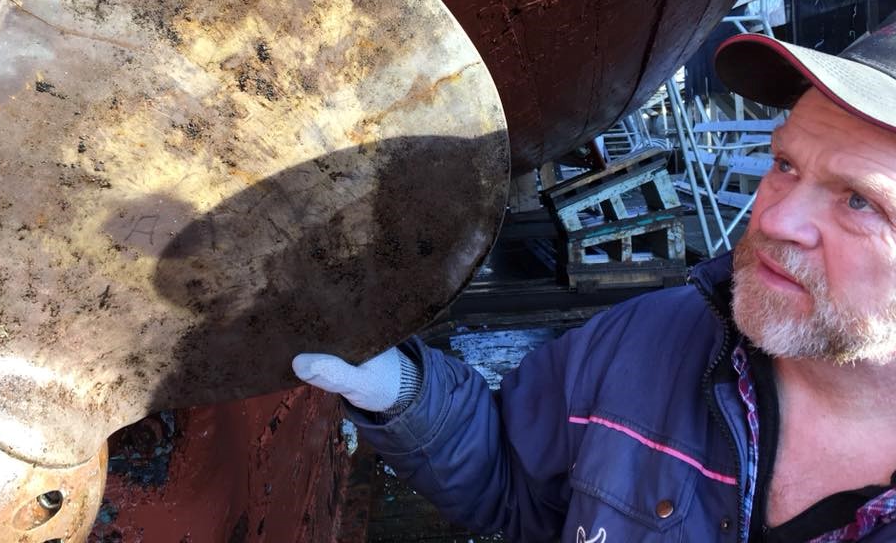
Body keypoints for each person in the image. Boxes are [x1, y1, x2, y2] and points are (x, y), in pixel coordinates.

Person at [293, 28, 896, 543]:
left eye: (859, 202)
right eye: (785, 165)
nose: (774, 219)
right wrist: (402, 392)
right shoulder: (652, 338)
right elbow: (514, 481)